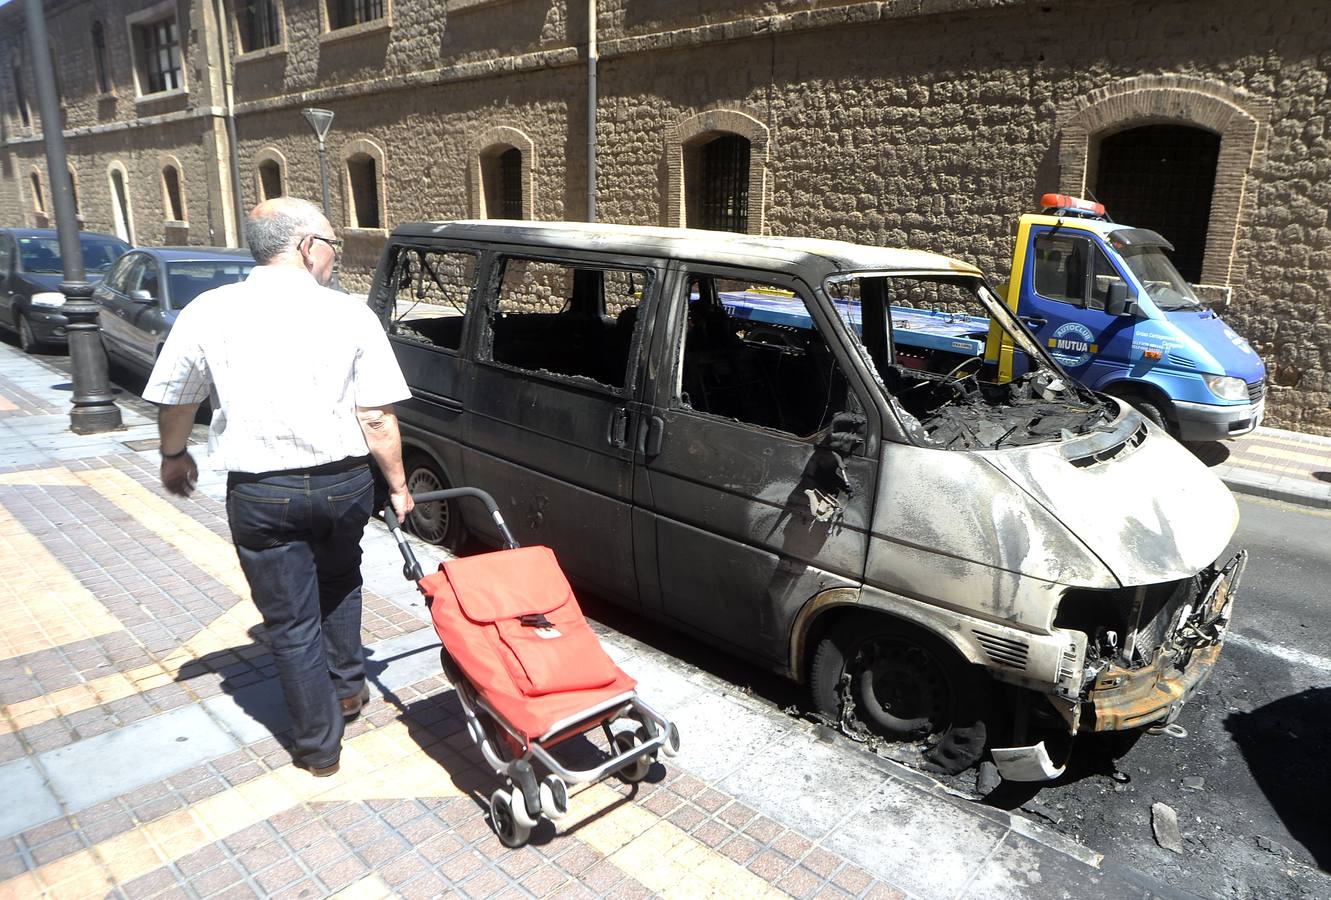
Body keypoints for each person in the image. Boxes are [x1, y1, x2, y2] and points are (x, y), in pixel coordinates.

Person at [143, 197, 414, 777]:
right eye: (333, 246)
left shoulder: (208, 311)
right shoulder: (349, 314)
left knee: (291, 622)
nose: (336, 259)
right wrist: (397, 485)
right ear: (306, 246)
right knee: (341, 582)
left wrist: (173, 457)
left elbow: (178, 396)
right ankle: (346, 689)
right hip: (343, 485)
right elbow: (377, 416)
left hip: (261, 492)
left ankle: (319, 748)